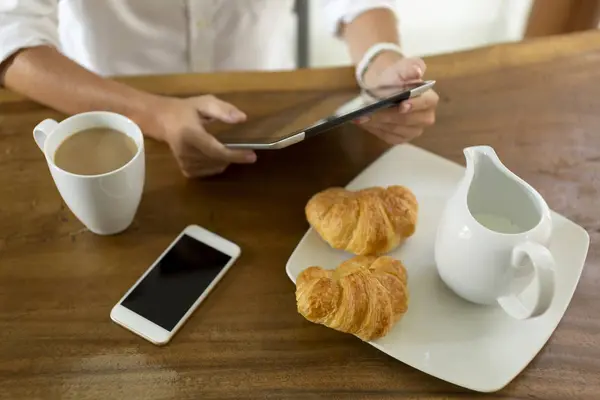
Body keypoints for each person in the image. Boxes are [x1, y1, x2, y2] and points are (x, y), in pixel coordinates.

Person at [0, 1, 439, 178]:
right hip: (113, 123)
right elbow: (10, 34)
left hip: (278, 118)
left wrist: (379, 63)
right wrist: (154, 114)